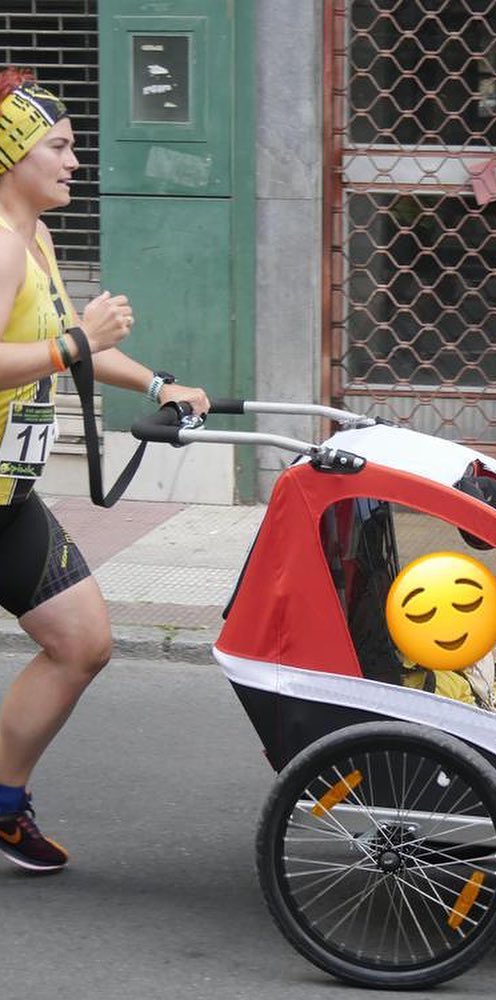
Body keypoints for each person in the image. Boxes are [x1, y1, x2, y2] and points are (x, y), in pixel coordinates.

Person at [0, 67, 209, 873]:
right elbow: (63, 346)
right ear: (13, 155)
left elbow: (74, 345)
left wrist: (158, 385)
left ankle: (2, 805)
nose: (74, 162)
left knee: (82, 642)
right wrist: (73, 344)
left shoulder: (36, 241)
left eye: (74, 147)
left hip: (8, 497)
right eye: (57, 146)